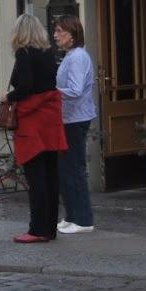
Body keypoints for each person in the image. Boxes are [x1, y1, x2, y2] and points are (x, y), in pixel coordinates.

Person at [0, 13, 66, 243]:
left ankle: (37, 229)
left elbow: (26, 86)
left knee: (36, 177)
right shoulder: (48, 53)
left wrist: (8, 96)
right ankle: (49, 228)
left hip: (33, 119)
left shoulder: (24, 53)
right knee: (50, 176)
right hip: (50, 118)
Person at [52, 15, 95, 234]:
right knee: (65, 170)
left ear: (72, 34)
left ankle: (84, 220)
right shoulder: (71, 55)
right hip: (68, 118)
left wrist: (52, 94)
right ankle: (71, 215)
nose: (56, 35)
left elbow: (76, 90)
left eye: (60, 31)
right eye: (56, 31)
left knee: (75, 169)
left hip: (76, 119)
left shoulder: (78, 57)